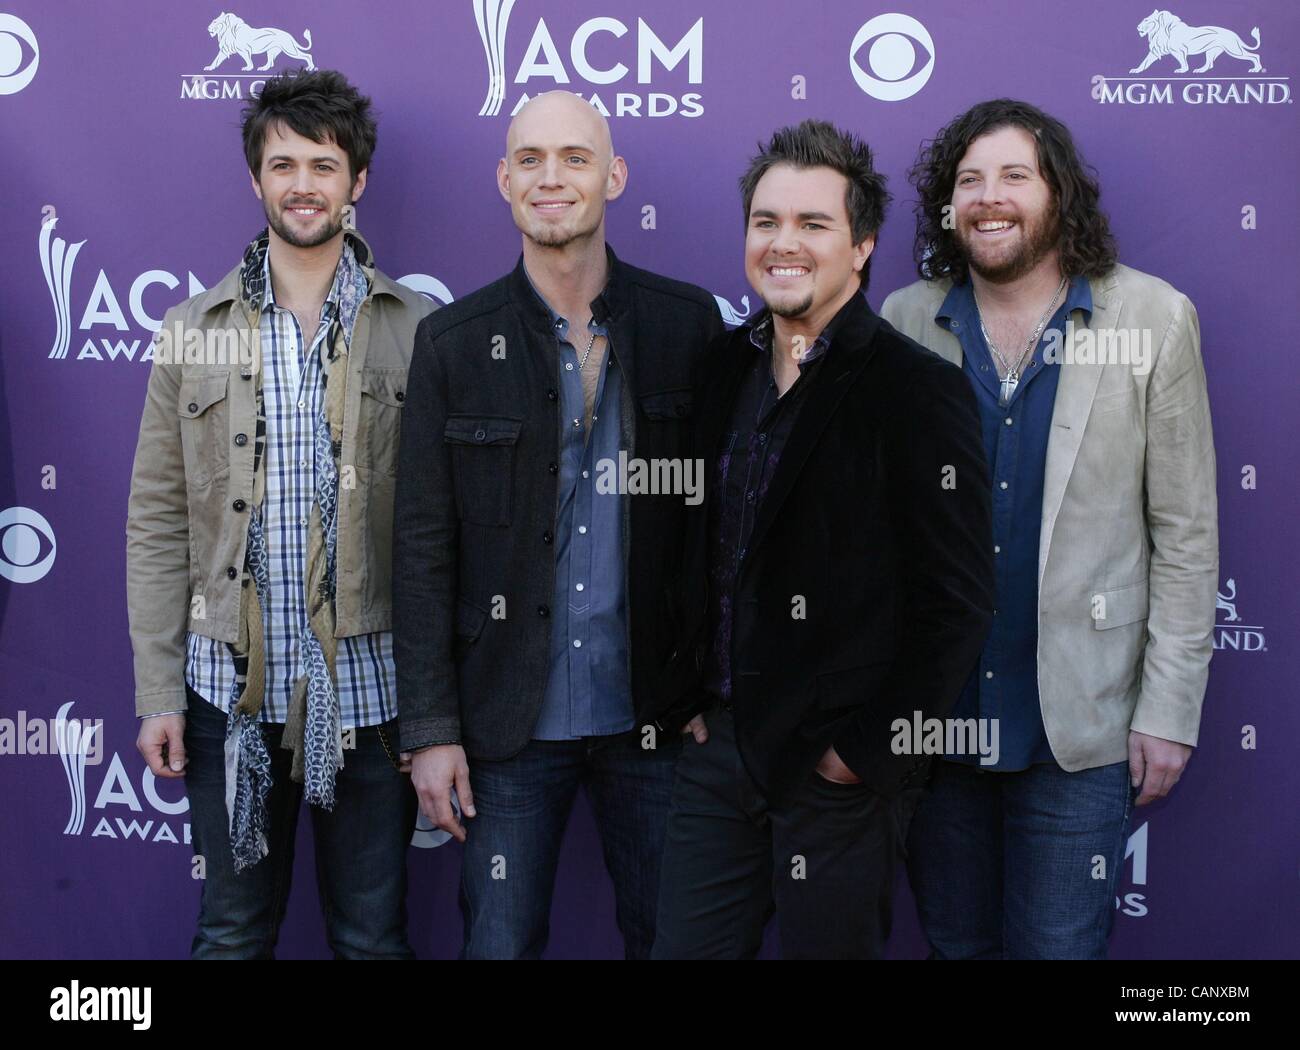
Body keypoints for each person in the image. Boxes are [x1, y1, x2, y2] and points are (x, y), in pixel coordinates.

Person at [881, 98, 1218, 959]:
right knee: (955, 949)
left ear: (1058, 194)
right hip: (938, 731)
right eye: (969, 181)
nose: (990, 198)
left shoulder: (1150, 318)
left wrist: (1169, 710)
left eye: (1014, 176)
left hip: (1082, 729)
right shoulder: (909, 321)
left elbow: (1185, 533)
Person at [650, 119, 995, 959]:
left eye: (812, 224)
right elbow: (683, 548)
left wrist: (860, 755)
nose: (784, 244)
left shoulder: (918, 391)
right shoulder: (719, 369)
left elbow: (955, 602)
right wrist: (684, 700)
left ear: (863, 245)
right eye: (766, 223)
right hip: (717, 751)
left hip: (835, 770)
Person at [393, 90, 723, 959]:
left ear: (613, 176)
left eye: (575, 157)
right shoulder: (455, 342)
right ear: (505, 181)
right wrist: (429, 729)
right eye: (531, 160)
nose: (552, 178)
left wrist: (714, 686)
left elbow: (728, 526)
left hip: (656, 717)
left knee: (675, 944)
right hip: (505, 724)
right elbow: (422, 545)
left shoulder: (688, 325)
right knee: (497, 946)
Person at [127, 70, 433, 958]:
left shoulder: (417, 329)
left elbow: (438, 533)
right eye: (284, 164)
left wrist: (435, 710)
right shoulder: (193, 328)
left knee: (372, 938)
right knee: (231, 934)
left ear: (357, 182)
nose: (304, 184)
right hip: (230, 696)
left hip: (372, 696)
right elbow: (156, 521)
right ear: (255, 179)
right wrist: (158, 694)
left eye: (325, 165)